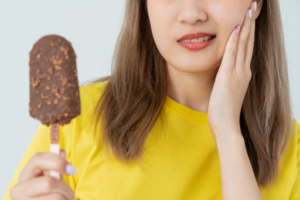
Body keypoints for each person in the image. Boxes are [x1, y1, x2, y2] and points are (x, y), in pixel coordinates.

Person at [3, 0, 300, 199]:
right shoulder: (78, 120)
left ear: (257, 3)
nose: (191, 13)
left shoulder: (292, 150)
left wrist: (227, 131)